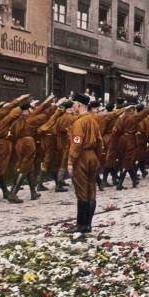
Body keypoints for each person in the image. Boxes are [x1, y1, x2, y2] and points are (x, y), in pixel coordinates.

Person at [67, 93, 104, 233]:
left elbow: (76, 143)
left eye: (74, 104)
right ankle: (88, 224)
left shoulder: (79, 122)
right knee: (91, 191)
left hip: (81, 157)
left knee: (82, 192)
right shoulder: (93, 120)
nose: (73, 107)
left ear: (78, 105)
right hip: (93, 156)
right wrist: (98, 158)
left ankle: (81, 225)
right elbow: (100, 142)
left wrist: (71, 162)